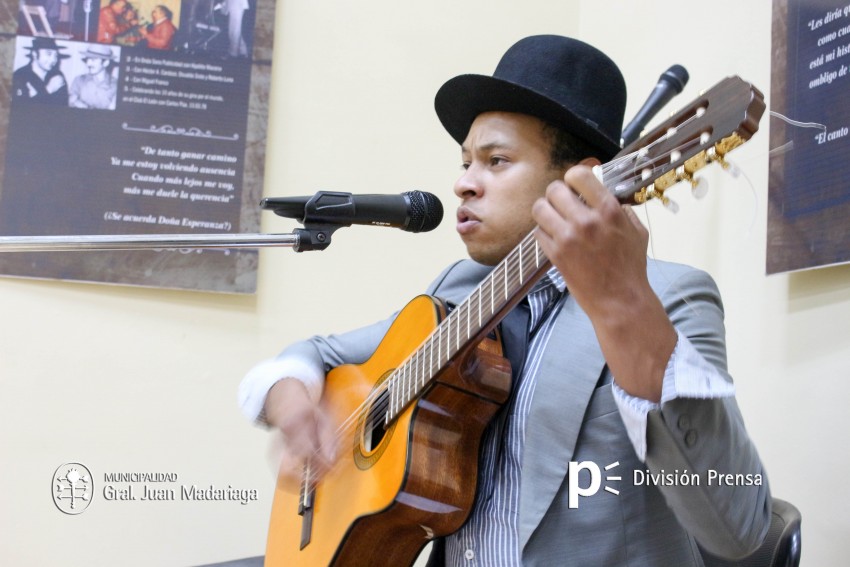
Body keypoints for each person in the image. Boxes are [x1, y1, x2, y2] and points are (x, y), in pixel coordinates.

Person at [239, 35, 771, 566]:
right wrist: (294, 408)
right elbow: (313, 354)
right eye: (466, 161)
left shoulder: (670, 296)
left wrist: (623, 307)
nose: (463, 184)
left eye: (495, 161)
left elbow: (739, 526)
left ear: (579, 180)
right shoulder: (457, 290)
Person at [12, 37, 69, 105]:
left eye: (56, 56)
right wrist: (48, 89)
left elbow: (63, 106)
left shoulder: (57, 75)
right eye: (49, 54)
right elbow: (20, 109)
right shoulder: (20, 75)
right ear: (35, 54)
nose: (53, 60)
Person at [69, 44, 118, 109]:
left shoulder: (116, 85)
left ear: (105, 63)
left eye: (93, 59)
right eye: (87, 59)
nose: (88, 63)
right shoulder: (79, 80)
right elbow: (71, 101)